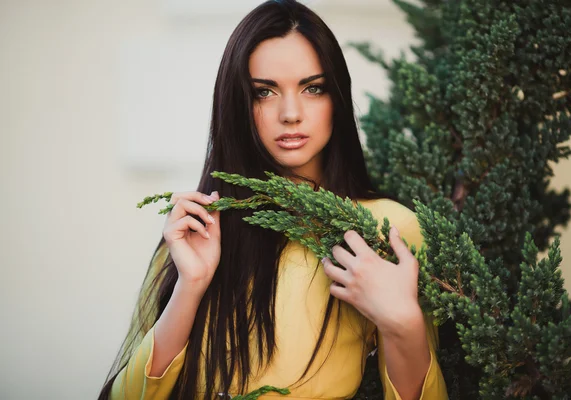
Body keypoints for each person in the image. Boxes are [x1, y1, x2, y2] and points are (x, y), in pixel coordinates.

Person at [98, 1, 448, 399]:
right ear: (237, 105)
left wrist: (403, 323)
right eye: (264, 92)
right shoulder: (198, 229)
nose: (291, 113)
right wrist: (191, 287)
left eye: (313, 88)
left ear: (337, 98)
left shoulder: (386, 231)